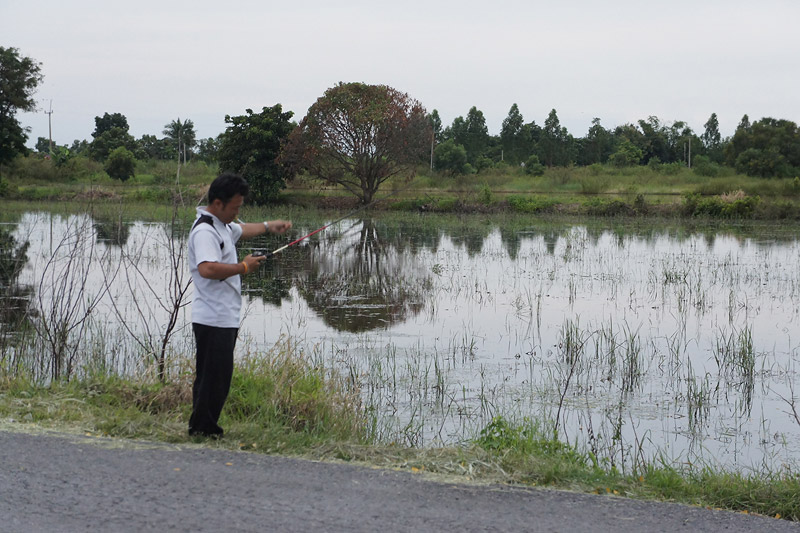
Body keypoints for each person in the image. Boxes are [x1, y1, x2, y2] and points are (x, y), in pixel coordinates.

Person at [187, 173, 291, 438]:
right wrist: (244, 267)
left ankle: (202, 426)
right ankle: (203, 429)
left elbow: (243, 230)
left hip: (223, 316)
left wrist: (269, 226)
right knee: (214, 378)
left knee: (215, 376)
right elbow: (208, 268)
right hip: (212, 317)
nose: (237, 212)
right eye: (235, 207)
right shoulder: (204, 231)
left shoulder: (222, 225)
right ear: (218, 203)